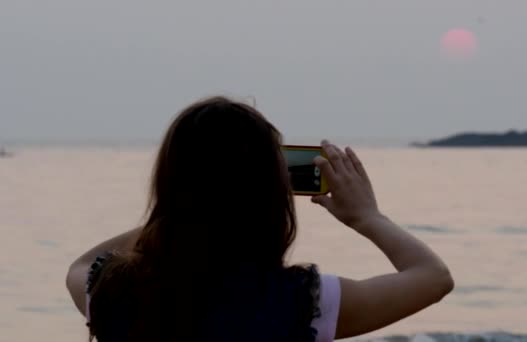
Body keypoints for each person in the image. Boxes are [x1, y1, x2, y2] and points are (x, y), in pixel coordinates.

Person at [66, 96, 454, 342]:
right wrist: (367, 217)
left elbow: (80, 265)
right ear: (269, 191)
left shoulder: (113, 291)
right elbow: (433, 278)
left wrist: (185, 209)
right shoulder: (302, 301)